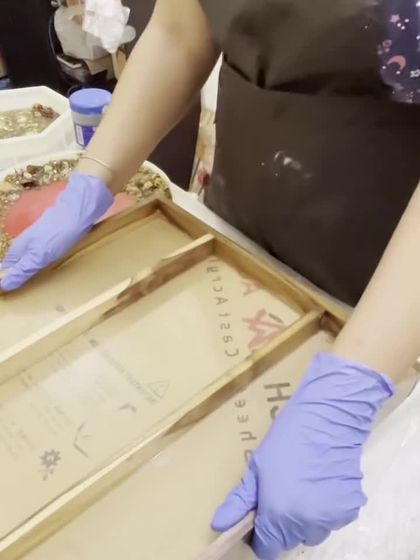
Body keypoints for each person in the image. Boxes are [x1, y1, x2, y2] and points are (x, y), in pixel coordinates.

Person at [2, 1, 420, 558]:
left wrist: (350, 387)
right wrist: (93, 180)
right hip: (241, 225)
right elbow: (182, 28)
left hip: (388, 284)